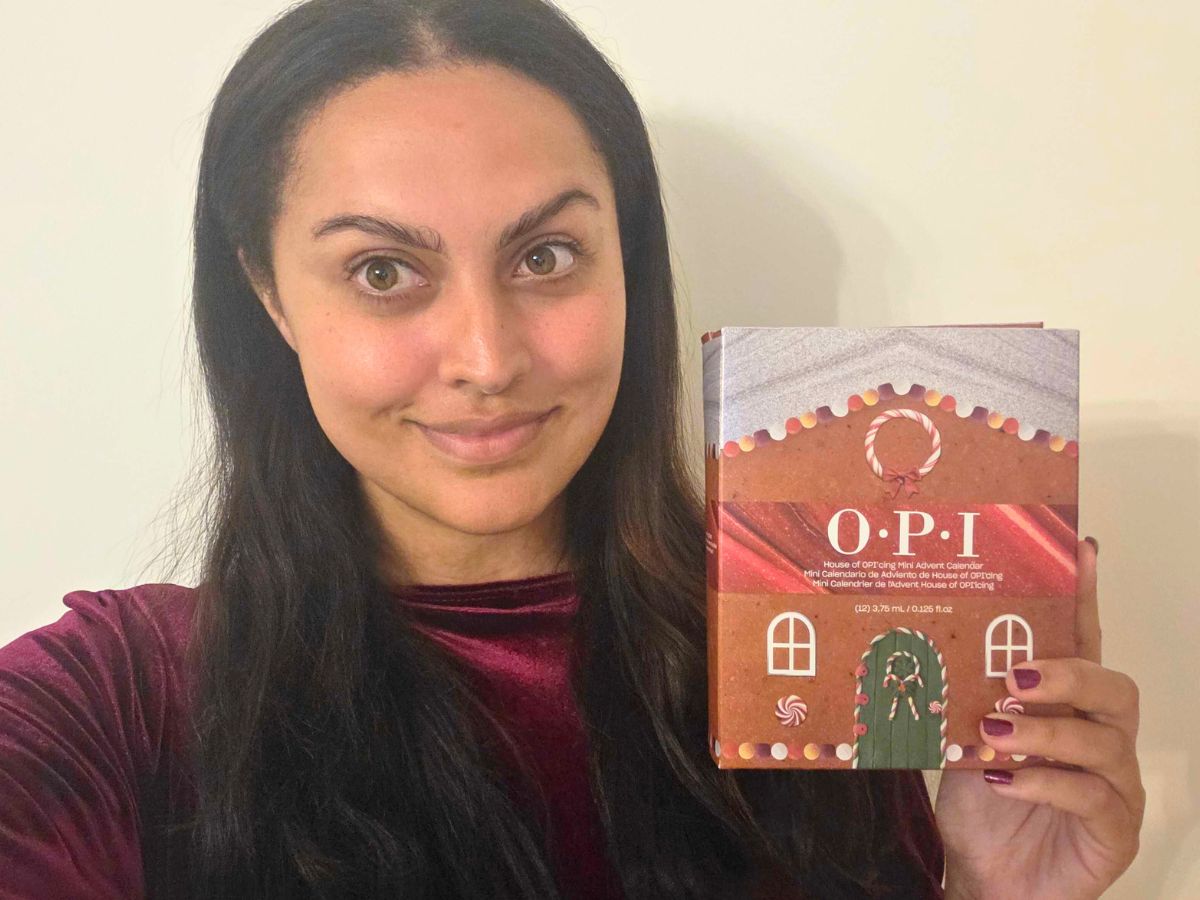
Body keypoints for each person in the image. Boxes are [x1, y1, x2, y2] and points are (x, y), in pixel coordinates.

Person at [0, 1, 1144, 897]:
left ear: (627, 267)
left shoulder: (820, 655)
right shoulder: (119, 699)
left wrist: (998, 890)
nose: (488, 357)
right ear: (270, 297)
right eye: (383, 271)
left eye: (545, 255)